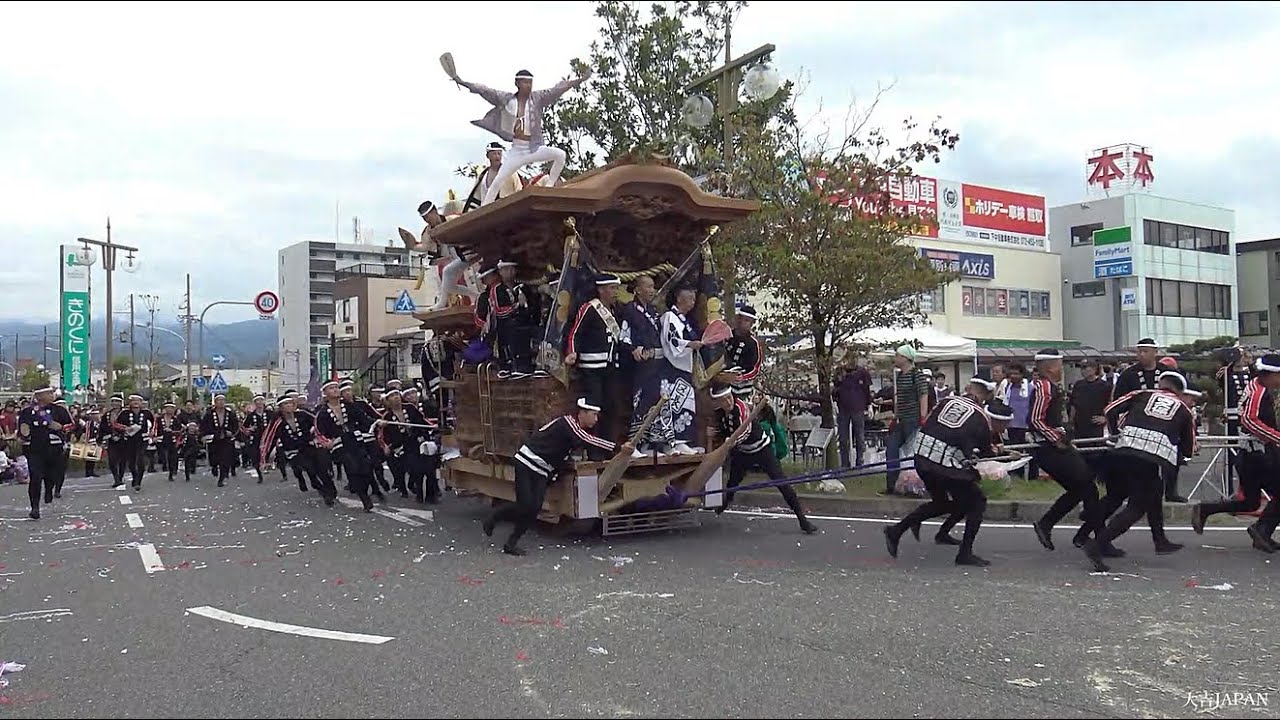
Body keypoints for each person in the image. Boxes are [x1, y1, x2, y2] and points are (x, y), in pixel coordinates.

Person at [885, 380, 1010, 566]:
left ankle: (897, 530)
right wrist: (1002, 452)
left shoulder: (946, 402)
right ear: (985, 397)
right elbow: (986, 454)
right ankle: (964, 554)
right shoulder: (981, 418)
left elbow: (941, 429)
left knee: (944, 502)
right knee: (977, 501)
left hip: (921, 457)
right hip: (943, 465)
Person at [483, 398, 630, 555]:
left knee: (534, 508)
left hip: (542, 470)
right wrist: (619, 448)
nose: (595, 419)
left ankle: (511, 543)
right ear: (582, 412)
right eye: (593, 415)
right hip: (526, 462)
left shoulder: (576, 429)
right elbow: (587, 439)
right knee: (525, 504)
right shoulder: (568, 423)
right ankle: (495, 516)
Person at [1082, 371, 1196, 571]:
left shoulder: (1140, 394)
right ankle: (1097, 544)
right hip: (1150, 458)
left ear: (1161, 384)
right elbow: (1189, 446)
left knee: (1152, 493)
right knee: (1137, 506)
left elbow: (1110, 409)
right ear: (1179, 391)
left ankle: (1160, 540)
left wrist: (1116, 433)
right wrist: (1181, 454)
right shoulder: (1183, 409)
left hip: (1123, 450)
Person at [445, 63, 592, 204]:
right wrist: (461, 81)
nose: (529, 86)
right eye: (525, 83)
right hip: (517, 150)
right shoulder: (506, 99)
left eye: (530, 83)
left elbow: (557, 90)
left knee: (560, 155)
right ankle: (483, 210)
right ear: (517, 83)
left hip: (533, 147)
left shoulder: (538, 98)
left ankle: (549, 188)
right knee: (497, 182)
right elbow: (484, 90)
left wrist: (579, 80)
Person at [1027, 349, 1114, 555]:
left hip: (1055, 446)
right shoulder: (1045, 387)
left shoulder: (1049, 386)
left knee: (1081, 490)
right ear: (1050, 367)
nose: (1061, 370)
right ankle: (1098, 540)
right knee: (1088, 488)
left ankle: (1049, 524)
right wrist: (1056, 438)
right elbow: (1035, 420)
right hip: (1050, 449)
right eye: (1059, 365)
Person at [1192, 353, 1280, 551]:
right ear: (1271, 374)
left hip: (1251, 454)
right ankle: (1261, 530)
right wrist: (1276, 437)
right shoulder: (1259, 391)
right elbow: (1249, 419)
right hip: (1258, 454)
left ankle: (1207, 509)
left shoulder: (1255, 386)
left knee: (1250, 502)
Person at [708, 385, 818, 535]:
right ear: (718, 402)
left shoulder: (741, 407)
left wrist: (730, 442)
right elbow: (722, 431)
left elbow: (745, 431)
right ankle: (726, 502)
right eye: (723, 400)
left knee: (781, 482)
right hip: (742, 452)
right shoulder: (719, 414)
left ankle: (802, 519)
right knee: (732, 481)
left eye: (729, 397)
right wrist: (715, 433)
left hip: (762, 448)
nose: (728, 402)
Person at [565, 273, 624, 447]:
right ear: (601, 290)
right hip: (591, 369)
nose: (615, 293)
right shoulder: (589, 308)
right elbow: (575, 332)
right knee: (593, 408)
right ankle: (593, 448)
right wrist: (572, 352)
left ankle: (608, 444)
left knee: (611, 406)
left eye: (616, 288)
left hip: (610, 366)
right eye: (612, 288)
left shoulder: (615, 310)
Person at [617, 274, 666, 457]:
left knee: (655, 402)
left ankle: (649, 443)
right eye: (648, 287)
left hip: (656, 363)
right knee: (640, 402)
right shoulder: (630, 310)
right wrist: (632, 348)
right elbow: (623, 336)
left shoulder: (653, 311)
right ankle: (633, 443)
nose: (652, 290)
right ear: (637, 289)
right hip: (639, 365)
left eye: (653, 287)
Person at [315, 379, 379, 511]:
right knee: (352, 468)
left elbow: (364, 419)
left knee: (366, 467)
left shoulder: (349, 406)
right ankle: (364, 498)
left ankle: (363, 488)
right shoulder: (322, 413)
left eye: (336, 387)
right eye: (331, 388)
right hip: (339, 445)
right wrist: (327, 442)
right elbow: (319, 432)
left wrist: (377, 422)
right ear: (325, 393)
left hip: (355, 439)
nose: (335, 390)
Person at [654, 286, 704, 456]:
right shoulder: (670, 317)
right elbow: (671, 340)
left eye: (693, 298)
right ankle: (669, 443)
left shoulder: (685, 320)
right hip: (671, 369)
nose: (692, 302)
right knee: (670, 406)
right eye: (689, 298)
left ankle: (682, 440)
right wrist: (689, 344)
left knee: (686, 405)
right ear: (679, 299)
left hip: (684, 368)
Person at [17, 387, 71, 519]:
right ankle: (34, 507)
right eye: (49, 393)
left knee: (52, 475)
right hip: (35, 449)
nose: (52, 395)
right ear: (40, 395)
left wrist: (61, 427)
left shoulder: (59, 410)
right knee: (35, 478)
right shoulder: (28, 411)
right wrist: (24, 432)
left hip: (54, 448)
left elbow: (71, 425)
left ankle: (49, 490)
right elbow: (23, 429)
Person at [884, 345, 930, 495]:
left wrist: (923, 417)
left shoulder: (916, 375)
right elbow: (900, 399)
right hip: (902, 419)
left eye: (898, 355)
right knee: (891, 450)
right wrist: (896, 417)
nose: (895, 358)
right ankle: (892, 485)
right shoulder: (901, 376)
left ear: (905, 358)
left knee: (912, 454)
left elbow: (923, 395)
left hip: (913, 419)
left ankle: (916, 485)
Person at [833, 356, 872, 467]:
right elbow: (835, 389)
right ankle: (845, 463)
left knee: (859, 436)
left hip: (857, 407)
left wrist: (868, 405)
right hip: (843, 408)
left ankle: (859, 461)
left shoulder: (862, 373)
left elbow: (866, 390)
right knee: (843, 438)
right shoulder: (840, 372)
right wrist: (835, 401)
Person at [464, 141, 525, 211]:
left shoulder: (510, 173)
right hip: (485, 214)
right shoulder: (482, 176)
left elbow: (519, 191)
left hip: (507, 211)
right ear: (488, 156)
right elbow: (476, 200)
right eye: (494, 154)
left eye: (499, 153)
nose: (497, 156)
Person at [723, 306, 764, 402]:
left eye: (750, 321)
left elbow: (755, 368)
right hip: (722, 386)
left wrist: (742, 377)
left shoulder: (753, 343)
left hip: (741, 391)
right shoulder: (726, 336)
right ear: (738, 319)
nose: (747, 324)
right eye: (745, 320)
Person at [201, 394, 239, 487]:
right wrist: (204, 435)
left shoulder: (230, 414)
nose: (221, 402)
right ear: (215, 402)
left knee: (225, 459)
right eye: (219, 400)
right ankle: (214, 467)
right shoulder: (209, 414)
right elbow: (204, 426)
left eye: (223, 400)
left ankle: (221, 478)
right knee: (214, 458)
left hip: (226, 439)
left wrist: (231, 432)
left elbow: (235, 426)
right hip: (214, 439)